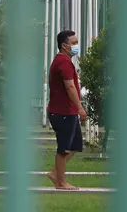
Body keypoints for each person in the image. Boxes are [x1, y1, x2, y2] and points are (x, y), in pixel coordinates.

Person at [46, 30, 87, 190]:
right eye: (74, 43)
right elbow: (70, 87)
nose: (76, 45)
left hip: (68, 112)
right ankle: (61, 182)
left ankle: (55, 173)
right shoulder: (63, 62)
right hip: (62, 112)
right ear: (64, 46)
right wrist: (80, 108)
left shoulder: (65, 61)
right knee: (64, 149)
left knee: (75, 146)